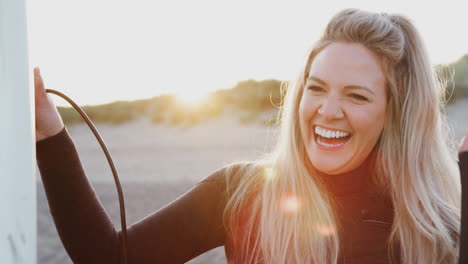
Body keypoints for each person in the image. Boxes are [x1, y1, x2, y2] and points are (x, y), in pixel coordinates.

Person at [35, 8, 468, 264]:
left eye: (356, 95)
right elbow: (108, 258)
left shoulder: (433, 232)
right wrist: (50, 135)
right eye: (315, 88)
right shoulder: (240, 193)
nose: (327, 110)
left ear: (395, 114)